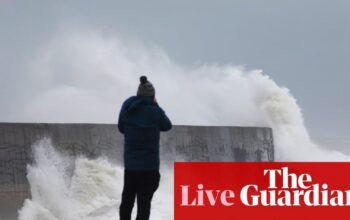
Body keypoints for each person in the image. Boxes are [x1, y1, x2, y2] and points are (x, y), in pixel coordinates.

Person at [118, 76, 172, 220]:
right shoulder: (155, 111)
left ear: (138, 93)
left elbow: (121, 128)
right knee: (144, 203)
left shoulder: (127, 107)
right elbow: (167, 125)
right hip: (150, 167)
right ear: (153, 96)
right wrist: (156, 105)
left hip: (131, 166)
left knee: (127, 200)